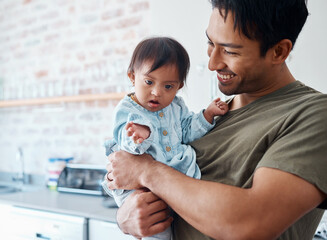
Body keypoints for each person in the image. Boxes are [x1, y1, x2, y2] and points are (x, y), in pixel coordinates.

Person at [104, 0, 327, 239]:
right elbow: (132, 181)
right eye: (211, 43)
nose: (212, 63)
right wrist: (127, 216)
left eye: (230, 51)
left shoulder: (313, 114)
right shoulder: (208, 118)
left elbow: (251, 224)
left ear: (279, 51)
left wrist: (147, 171)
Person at [102, 37, 229, 240]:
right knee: (157, 227)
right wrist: (138, 137)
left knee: (179, 219)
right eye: (149, 82)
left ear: (178, 87)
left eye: (168, 87)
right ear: (132, 77)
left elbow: (187, 130)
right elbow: (124, 144)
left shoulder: (176, 107)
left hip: (173, 177)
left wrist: (207, 115)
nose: (157, 92)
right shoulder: (128, 109)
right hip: (139, 187)